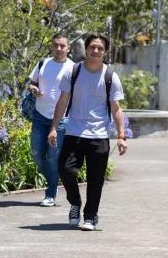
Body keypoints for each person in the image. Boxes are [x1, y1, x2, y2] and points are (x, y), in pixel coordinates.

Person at [48, 33, 127, 231]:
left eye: (100, 48)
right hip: (74, 131)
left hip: (99, 135)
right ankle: (75, 203)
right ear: (86, 49)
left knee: (96, 180)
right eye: (93, 47)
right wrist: (53, 128)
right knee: (65, 170)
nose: (96, 51)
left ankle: (90, 216)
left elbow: (116, 108)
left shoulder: (110, 76)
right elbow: (63, 100)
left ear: (105, 52)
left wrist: (121, 135)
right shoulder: (73, 72)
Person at [27, 34, 74, 207]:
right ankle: (53, 179)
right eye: (56, 45)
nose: (59, 49)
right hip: (40, 115)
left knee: (53, 157)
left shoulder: (73, 68)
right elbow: (33, 82)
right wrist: (33, 88)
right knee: (37, 153)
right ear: (52, 47)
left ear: (69, 48)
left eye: (63, 46)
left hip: (62, 119)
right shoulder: (43, 63)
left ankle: (50, 193)